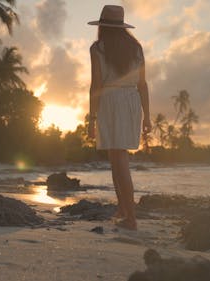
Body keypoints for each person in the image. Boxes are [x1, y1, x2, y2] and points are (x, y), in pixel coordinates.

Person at [88, 5, 151, 230]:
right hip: (131, 100)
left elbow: (96, 84)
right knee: (117, 158)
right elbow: (142, 84)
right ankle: (123, 209)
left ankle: (131, 218)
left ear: (102, 26)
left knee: (119, 158)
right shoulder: (136, 47)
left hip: (110, 100)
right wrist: (148, 117)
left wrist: (91, 119)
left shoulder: (98, 48)